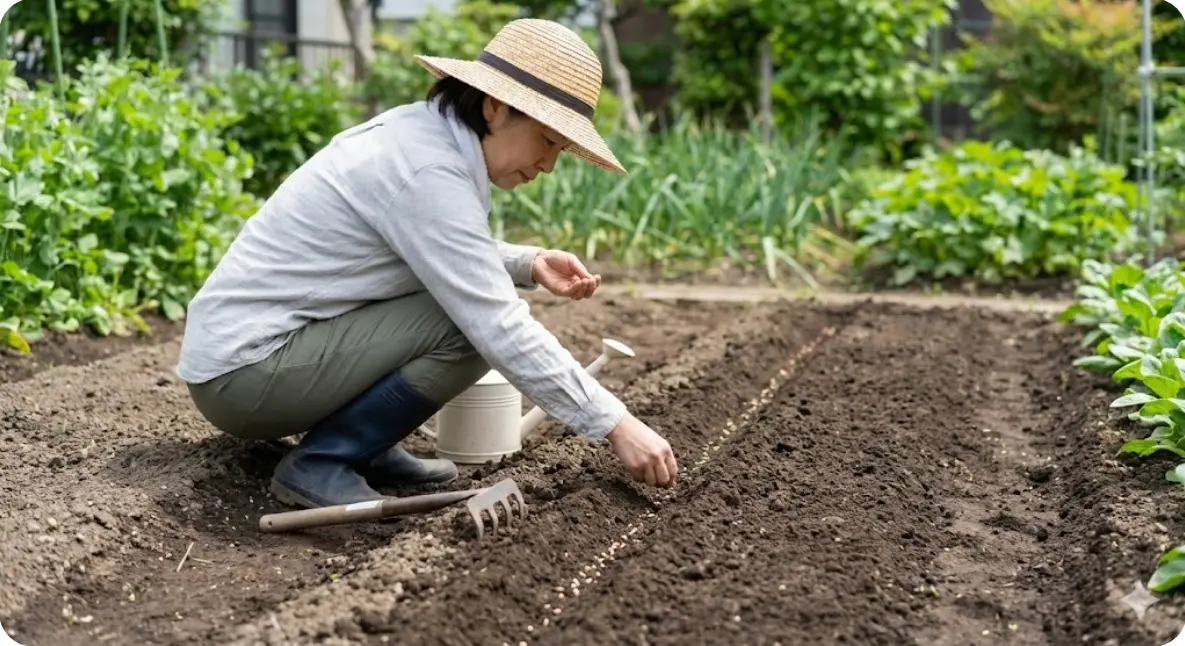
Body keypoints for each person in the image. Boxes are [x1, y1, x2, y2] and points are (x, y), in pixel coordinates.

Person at [175, 18, 679, 510]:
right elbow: (496, 322)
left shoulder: (421, 134)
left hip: (254, 353)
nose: (549, 164)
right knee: (465, 327)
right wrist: (616, 423)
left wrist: (527, 262)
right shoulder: (427, 169)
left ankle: (365, 446)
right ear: (495, 106)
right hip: (245, 374)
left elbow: (428, 245)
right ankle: (325, 461)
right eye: (548, 141)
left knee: (455, 305)